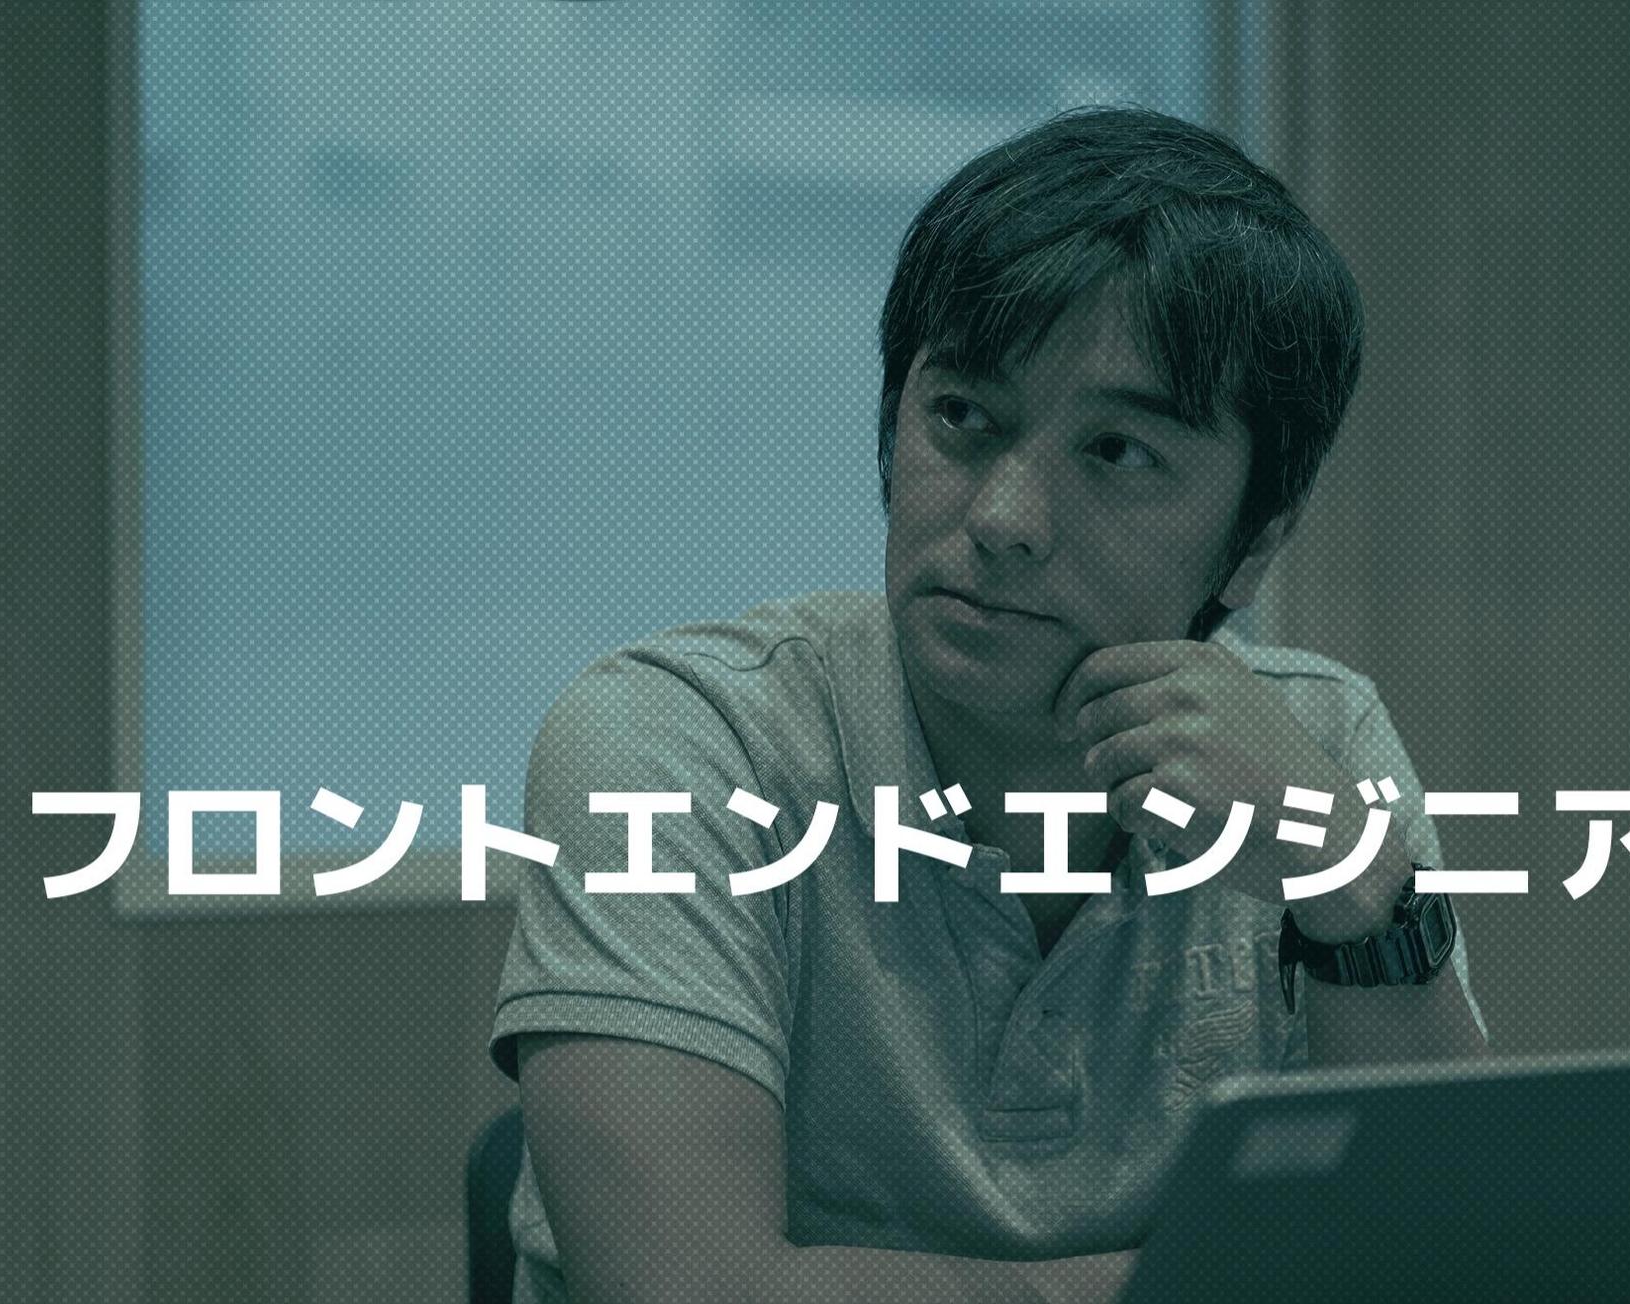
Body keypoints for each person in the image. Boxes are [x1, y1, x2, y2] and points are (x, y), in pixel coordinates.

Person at [486, 105, 1490, 1304]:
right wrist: (1219, 1277)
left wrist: (1358, 892)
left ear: (1255, 539)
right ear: (890, 429)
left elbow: (1438, 1260)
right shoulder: (678, 743)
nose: (1003, 516)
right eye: (962, 417)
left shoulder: (1319, 745)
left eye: (1116, 452)